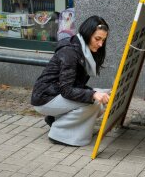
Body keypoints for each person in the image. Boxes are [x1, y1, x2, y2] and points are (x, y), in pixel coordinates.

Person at [31, 15, 110, 146]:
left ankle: (56, 118)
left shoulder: (84, 50)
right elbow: (67, 90)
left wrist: (98, 93)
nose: (101, 44)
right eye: (97, 39)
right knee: (94, 103)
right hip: (45, 98)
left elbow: (75, 85)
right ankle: (59, 134)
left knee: (100, 97)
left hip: (56, 93)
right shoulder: (70, 53)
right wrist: (93, 94)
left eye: (103, 40)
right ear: (87, 34)